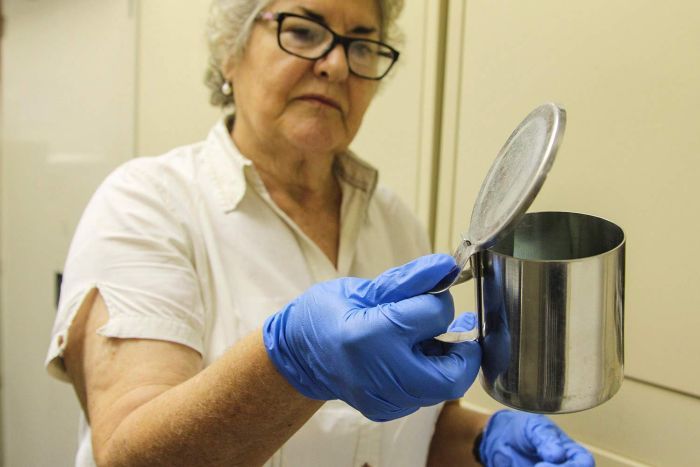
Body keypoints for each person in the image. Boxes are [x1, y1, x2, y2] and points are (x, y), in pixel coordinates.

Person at [45, 0, 595, 465]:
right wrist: (289, 363)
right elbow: (126, 449)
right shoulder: (147, 204)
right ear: (230, 51)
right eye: (304, 31)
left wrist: (480, 439)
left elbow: (401, 429)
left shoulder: (393, 219)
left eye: (362, 45)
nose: (336, 65)